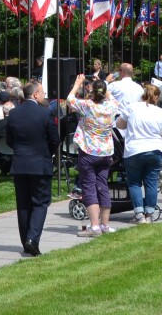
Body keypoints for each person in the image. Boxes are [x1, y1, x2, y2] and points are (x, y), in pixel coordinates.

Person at [5, 81, 59, 256]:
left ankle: (26, 241)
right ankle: (32, 239)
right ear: (35, 94)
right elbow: (55, 139)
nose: (44, 95)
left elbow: (9, 141)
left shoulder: (13, 113)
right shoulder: (45, 113)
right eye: (42, 92)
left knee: (23, 204)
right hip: (39, 163)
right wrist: (46, 153)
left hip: (20, 163)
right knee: (41, 202)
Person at [66, 74, 118, 237]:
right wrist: (104, 85)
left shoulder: (88, 105)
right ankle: (105, 225)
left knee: (89, 187)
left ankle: (94, 226)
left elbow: (69, 99)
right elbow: (111, 98)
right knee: (102, 186)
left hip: (89, 151)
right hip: (105, 153)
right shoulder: (112, 106)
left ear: (93, 92)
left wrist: (77, 84)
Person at [114, 84, 162, 224]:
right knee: (151, 183)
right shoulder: (159, 111)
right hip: (154, 149)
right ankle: (149, 214)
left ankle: (139, 214)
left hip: (134, 150)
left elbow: (119, 125)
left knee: (134, 183)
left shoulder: (132, 107)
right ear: (156, 97)